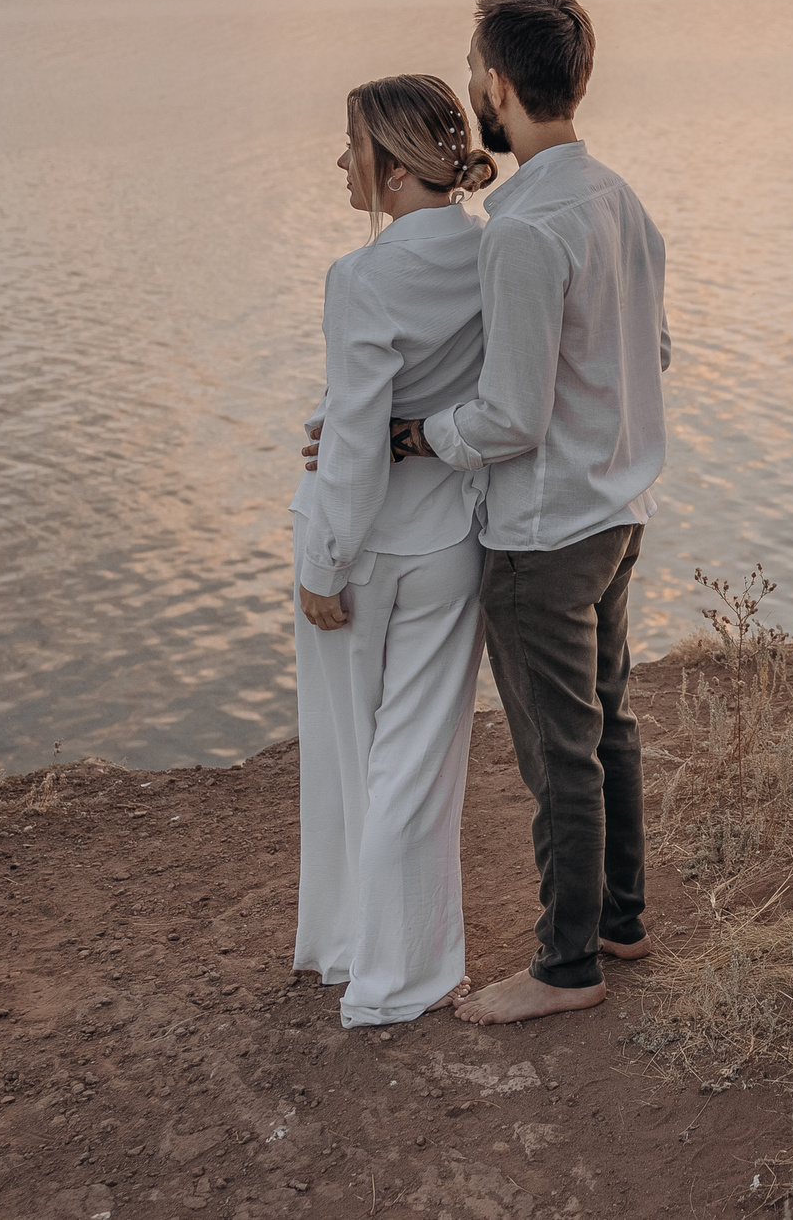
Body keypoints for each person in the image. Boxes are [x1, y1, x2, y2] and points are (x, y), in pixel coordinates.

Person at [387, 0, 670, 1026]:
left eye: (473, 73)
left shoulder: (522, 232)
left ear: (497, 86)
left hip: (545, 530)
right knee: (610, 728)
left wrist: (414, 436)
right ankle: (620, 921)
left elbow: (507, 417)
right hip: (621, 507)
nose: (471, 90)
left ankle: (564, 967)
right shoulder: (618, 198)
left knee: (560, 756)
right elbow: (656, 351)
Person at [290, 73, 497, 1027]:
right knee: (418, 763)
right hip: (452, 534)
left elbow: (361, 446)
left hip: (364, 548)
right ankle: (398, 970)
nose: (341, 161)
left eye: (351, 145)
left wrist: (323, 564)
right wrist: (337, 420)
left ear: (396, 162)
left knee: (350, 755)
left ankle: (351, 956)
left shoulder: (362, 276)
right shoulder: (496, 252)